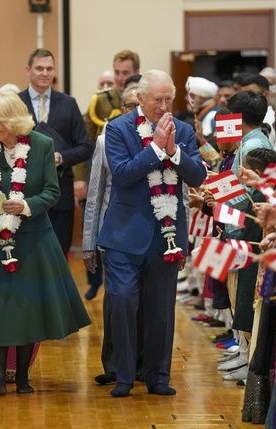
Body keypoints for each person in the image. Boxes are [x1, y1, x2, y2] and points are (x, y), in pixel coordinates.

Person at [0, 90, 91, 396]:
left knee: (28, 308)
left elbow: (52, 191)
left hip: (33, 237)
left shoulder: (42, 145)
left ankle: (22, 378)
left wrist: (25, 206)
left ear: (13, 120)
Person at [98, 70, 206, 397]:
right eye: (157, 99)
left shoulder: (183, 130)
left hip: (166, 236)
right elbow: (122, 174)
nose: (163, 106)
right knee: (122, 300)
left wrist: (175, 152)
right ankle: (124, 376)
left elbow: (198, 176)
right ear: (140, 99)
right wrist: (157, 149)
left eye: (168, 99)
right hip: (123, 235)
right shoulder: (118, 129)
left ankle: (157, 376)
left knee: (161, 309)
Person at [83, 85, 142, 384]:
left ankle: (142, 365)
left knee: (146, 304)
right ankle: (115, 366)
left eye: (139, 106)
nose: (134, 112)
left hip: (152, 233)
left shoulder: (162, 137)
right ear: (121, 109)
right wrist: (88, 243)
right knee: (117, 301)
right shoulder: (107, 138)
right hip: (115, 231)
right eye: (129, 106)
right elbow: (94, 194)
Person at [18, 48, 93, 258]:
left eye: (49, 68)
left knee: (58, 256)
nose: (45, 73)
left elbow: (85, 147)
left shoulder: (68, 103)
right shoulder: (16, 103)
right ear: (28, 70)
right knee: (27, 257)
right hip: (24, 191)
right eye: (39, 68)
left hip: (61, 191)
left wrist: (60, 158)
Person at [84, 50, 140, 142]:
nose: (120, 78)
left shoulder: (145, 99)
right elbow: (87, 138)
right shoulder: (100, 100)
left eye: (125, 73)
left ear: (136, 73)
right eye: (117, 72)